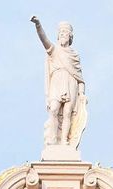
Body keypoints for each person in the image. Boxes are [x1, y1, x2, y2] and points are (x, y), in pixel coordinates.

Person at [32, 16, 87, 148]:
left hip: (71, 82)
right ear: (58, 36)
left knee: (68, 113)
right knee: (54, 109)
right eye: (61, 33)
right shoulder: (54, 50)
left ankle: (64, 141)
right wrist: (38, 25)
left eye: (65, 33)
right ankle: (52, 138)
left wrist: (82, 93)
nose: (63, 35)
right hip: (57, 81)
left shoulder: (74, 55)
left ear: (70, 37)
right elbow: (43, 39)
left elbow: (80, 77)